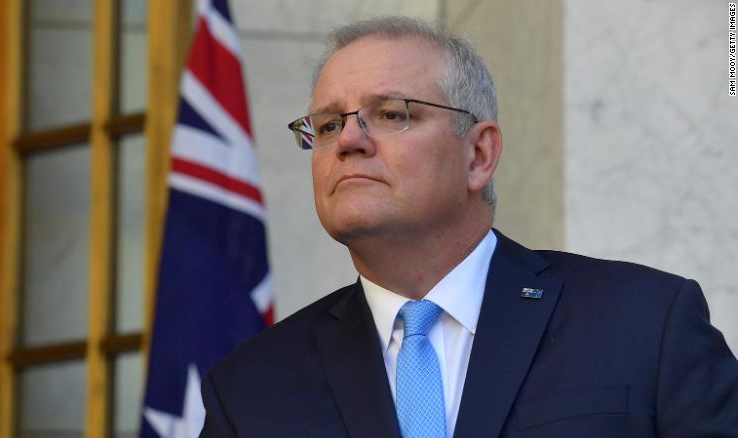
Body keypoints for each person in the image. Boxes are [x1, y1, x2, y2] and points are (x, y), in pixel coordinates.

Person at [199, 16, 738, 438]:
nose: (347, 141)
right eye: (328, 124)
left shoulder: (645, 322)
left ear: (479, 154)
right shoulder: (251, 388)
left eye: (390, 113)